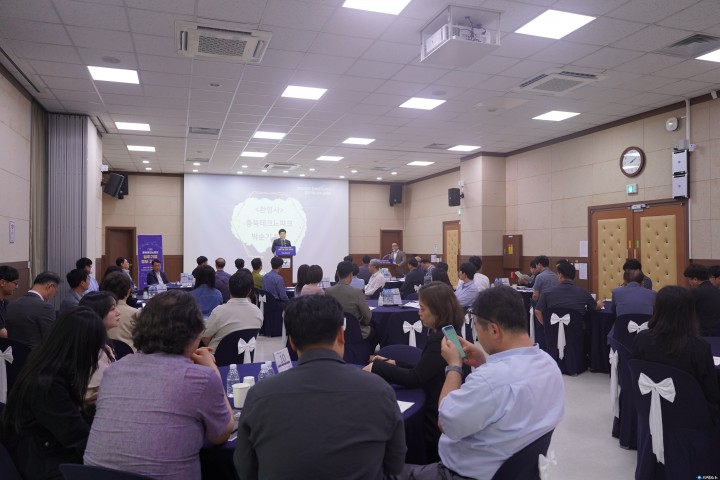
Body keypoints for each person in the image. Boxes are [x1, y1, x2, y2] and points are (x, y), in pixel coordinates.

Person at [396, 286, 565, 480]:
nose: (477, 335)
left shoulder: (490, 380)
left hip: (462, 473)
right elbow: (507, 393)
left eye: (477, 328)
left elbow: (445, 422)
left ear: (494, 330)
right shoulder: (548, 364)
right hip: (517, 470)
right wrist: (484, 362)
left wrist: (454, 367)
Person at [234, 295, 406, 479]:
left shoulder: (259, 395)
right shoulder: (379, 390)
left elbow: (246, 469)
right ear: (341, 335)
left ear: (292, 343)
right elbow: (394, 464)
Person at [84, 290, 234, 479]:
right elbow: (220, 434)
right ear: (195, 333)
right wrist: (213, 371)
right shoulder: (201, 378)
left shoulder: (115, 370)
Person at [364, 281, 469, 462]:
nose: (419, 313)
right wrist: (393, 362)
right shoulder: (449, 332)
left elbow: (416, 378)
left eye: (423, 308)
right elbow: (426, 368)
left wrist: (378, 367)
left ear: (438, 311)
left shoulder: (439, 340)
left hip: (434, 417)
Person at [1, 306, 106, 479]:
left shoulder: (44, 365)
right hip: (43, 461)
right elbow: (74, 435)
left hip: (40, 450)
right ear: (83, 346)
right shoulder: (47, 383)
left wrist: (84, 407)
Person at [633, 285, 720, 421]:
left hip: (650, 407)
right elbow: (711, 393)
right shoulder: (699, 347)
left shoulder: (641, 339)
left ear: (657, 309)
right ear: (690, 312)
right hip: (693, 416)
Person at [203, 269, 264, 351]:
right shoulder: (258, 312)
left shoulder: (219, 311)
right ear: (250, 291)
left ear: (228, 287)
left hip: (216, 356)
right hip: (244, 356)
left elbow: (205, 338)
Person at [78, 291, 120, 402]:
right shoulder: (94, 352)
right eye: (112, 309)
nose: (118, 312)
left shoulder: (102, 344)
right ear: (97, 314)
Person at [535, 262, 602, 325]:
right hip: (576, 330)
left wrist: (547, 326)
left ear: (560, 275)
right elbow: (595, 307)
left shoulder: (547, 292)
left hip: (553, 330)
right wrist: (599, 304)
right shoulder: (583, 291)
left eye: (557, 274)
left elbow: (537, 311)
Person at [5, 271, 60, 349]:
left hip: (14, 354)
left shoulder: (11, 305)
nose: (54, 295)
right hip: (36, 355)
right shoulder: (45, 307)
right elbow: (51, 339)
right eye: (56, 292)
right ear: (50, 287)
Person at [326, 261, 375, 344]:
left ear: (337, 273)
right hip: (355, 330)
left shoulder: (328, 291)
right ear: (351, 274)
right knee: (374, 332)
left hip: (335, 331)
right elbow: (368, 316)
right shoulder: (357, 292)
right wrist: (362, 323)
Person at [101, 271, 138, 351]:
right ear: (129, 291)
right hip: (130, 356)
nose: (117, 312)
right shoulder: (136, 313)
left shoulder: (97, 310)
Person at [683, 263, 720, 336]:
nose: (689, 283)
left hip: (701, 335)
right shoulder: (717, 291)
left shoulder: (694, 293)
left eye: (689, 279)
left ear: (695, 279)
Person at [0, 265, 20, 338]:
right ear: (2, 282)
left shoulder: (6, 303)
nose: (17, 287)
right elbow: (2, 333)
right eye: (15, 283)